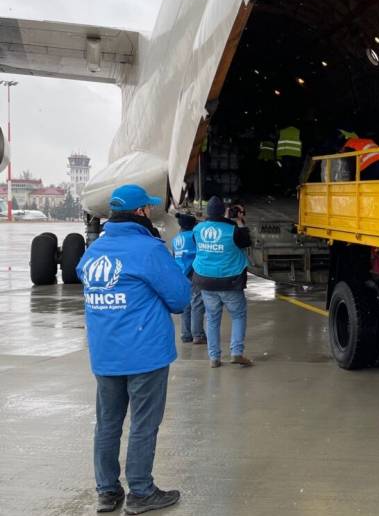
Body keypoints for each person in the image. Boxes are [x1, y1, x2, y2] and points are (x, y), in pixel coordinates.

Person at [78, 184, 190, 514]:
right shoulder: (148, 250)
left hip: (106, 354)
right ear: (141, 212)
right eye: (149, 209)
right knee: (143, 424)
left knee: (108, 424)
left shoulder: (94, 250)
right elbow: (180, 299)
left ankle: (107, 491)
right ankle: (140, 492)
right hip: (145, 354)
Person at [192, 196, 253, 368]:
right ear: (224, 212)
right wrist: (240, 220)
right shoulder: (232, 229)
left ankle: (214, 358)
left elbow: (197, 244)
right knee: (238, 315)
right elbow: (246, 241)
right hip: (230, 281)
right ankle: (236, 352)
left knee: (212, 318)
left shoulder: (198, 229)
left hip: (205, 280)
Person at [171, 213, 205, 344]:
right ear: (193, 225)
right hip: (194, 271)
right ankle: (198, 335)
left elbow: (175, 257)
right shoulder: (194, 236)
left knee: (186, 305)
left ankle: (186, 334)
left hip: (181, 274)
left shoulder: (176, 239)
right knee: (197, 303)